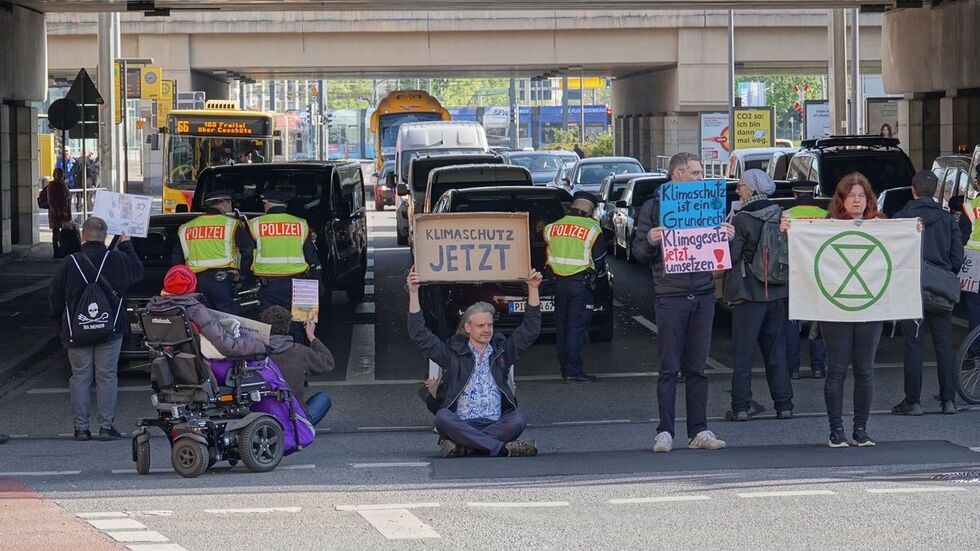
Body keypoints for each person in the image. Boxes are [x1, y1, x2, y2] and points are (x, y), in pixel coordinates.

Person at [632, 152, 732, 453]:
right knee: (669, 367)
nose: (701, 178)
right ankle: (665, 431)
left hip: (703, 292)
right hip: (670, 294)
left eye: (701, 173)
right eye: (696, 173)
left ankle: (698, 430)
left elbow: (722, 252)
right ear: (677, 173)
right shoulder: (654, 206)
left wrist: (728, 237)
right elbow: (638, 253)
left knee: (698, 367)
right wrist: (651, 240)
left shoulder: (709, 204)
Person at [781, 172, 884, 448]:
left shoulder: (883, 226)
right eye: (852, 196)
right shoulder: (826, 226)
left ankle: (861, 429)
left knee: (865, 370)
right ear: (842, 199)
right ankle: (836, 430)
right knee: (836, 370)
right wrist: (789, 230)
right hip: (835, 308)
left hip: (870, 307)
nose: (857, 200)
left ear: (869, 199)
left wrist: (914, 231)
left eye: (862, 196)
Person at [407, 265, 542, 458]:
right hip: (462, 423)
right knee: (443, 417)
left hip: (495, 422)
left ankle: (465, 446)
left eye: (490, 325)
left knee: (518, 418)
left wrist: (533, 288)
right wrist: (413, 292)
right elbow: (419, 334)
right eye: (481, 326)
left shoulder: (501, 352)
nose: (487, 330)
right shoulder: (452, 354)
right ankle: (501, 449)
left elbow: (529, 331)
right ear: (468, 327)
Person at [49, 217, 144, 441]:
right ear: (105, 236)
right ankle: (106, 427)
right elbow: (138, 272)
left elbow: (54, 297)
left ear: (83, 236)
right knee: (107, 376)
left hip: (77, 330)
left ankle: (81, 428)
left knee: (80, 376)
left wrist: (60, 323)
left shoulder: (70, 262)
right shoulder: (117, 259)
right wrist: (126, 244)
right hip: (110, 328)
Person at [725, 169, 794, 421]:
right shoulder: (781, 214)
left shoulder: (741, 218)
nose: (738, 190)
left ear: (752, 189)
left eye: (741, 186)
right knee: (776, 352)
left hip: (748, 294)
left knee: (743, 354)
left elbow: (732, 257)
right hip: (777, 292)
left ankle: (741, 407)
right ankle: (784, 405)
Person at [894, 171, 963, 416]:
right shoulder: (947, 219)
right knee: (944, 345)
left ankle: (913, 402)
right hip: (940, 287)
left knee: (913, 343)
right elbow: (957, 257)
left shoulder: (901, 217)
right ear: (935, 191)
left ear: (912, 190)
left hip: (910, 286)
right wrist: (943, 273)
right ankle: (948, 400)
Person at [544, 190, 607, 383]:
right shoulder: (593, 229)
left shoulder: (552, 228)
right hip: (581, 285)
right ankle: (574, 372)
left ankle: (565, 369)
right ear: (590, 210)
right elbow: (599, 260)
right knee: (576, 328)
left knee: (562, 328)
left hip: (559, 284)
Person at [147, 265, 268, 358]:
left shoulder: (152, 309)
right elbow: (227, 347)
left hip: (174, 367)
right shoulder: (195, 311)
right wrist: (261, 345)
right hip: (204, 368)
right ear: (193, 286)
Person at [174, 191, 255, 315]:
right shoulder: (231, 224)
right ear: (222, 203)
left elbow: (177, 256)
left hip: (196, 281)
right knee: (228, 317)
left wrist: (184, 277)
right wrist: (242, 274)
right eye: (230, 203)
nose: (231, 207)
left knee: (200, 316)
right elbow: (248, 250)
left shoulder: (187, 227)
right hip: (222, 280)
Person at [249, 190, 319, 326]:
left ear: (268, 205)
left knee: (269, 326)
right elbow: (311, 255)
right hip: (300, 284)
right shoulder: (301, 223)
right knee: (300, 324)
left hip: (269, 285)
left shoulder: (255, 224)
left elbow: (247, 252)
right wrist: (317, 279)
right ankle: (299, 340)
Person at [260, 305, 335, 425]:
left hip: (263, 419)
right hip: (294, 418)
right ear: (288, 327)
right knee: (323, 398)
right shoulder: (300, 352)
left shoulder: (255, 352)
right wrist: (311, 336)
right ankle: (303, 428)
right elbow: (328, 362)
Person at [783, 185, 828, 378]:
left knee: (791, 324)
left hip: (793, 274)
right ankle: (818, 368)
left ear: (795, 195)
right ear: (814, 194)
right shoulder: (826, 216)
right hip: (819, 274)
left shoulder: (786, 215)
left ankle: (793, 369)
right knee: (818, 323)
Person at [46, 167, 73, 259]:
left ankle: (63, 249)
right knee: (56, 231)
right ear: (55, 175)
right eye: (59, 174)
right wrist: (56, 212)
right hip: (57, 213)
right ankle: (57, 251)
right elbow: (51, 200)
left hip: (64, 212)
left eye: (61, 174)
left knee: (64, 231)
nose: (61, 176)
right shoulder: (53, 185)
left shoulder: (62, 185)